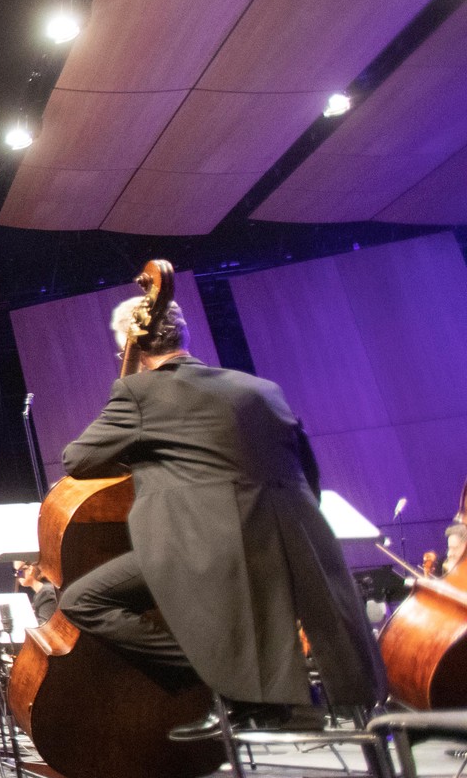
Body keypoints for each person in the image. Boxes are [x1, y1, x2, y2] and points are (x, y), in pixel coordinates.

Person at [59, 296, 386, 736]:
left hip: (204, 548)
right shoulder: (259, 388)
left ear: (131, 348)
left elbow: (77, 460)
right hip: (296, 541)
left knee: (83, 600)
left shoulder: (136, 392)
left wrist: (133, 446)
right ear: (184, 335)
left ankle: (221, 678)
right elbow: (306, 468)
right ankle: (278, 695)